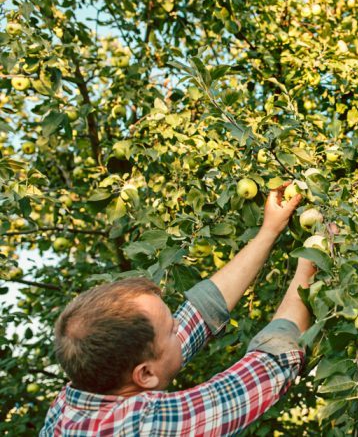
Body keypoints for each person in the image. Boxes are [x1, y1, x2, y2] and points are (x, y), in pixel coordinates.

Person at [40, 185, 316, 435]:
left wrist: (269, 230)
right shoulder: (145, 427)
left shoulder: (69, 404)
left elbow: (198, 313)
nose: (179, 328)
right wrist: (313, 256)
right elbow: (266, 369)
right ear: (144, 374)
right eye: (171, 330)